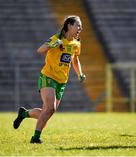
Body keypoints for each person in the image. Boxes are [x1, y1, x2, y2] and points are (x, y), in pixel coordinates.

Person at [13, 15, 86, 144]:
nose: (80, 27)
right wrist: (52, 45)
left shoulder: (76, 43)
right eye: (78, 25)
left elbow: (75, 59)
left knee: (47, 112)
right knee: (50, 109)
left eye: (80, 25)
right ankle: (35, 138)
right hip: (48, 76)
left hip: (62, 81)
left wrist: (80, 73)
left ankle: (24, 114)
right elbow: (40, 50)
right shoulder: (57, 38)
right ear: (69, 26)